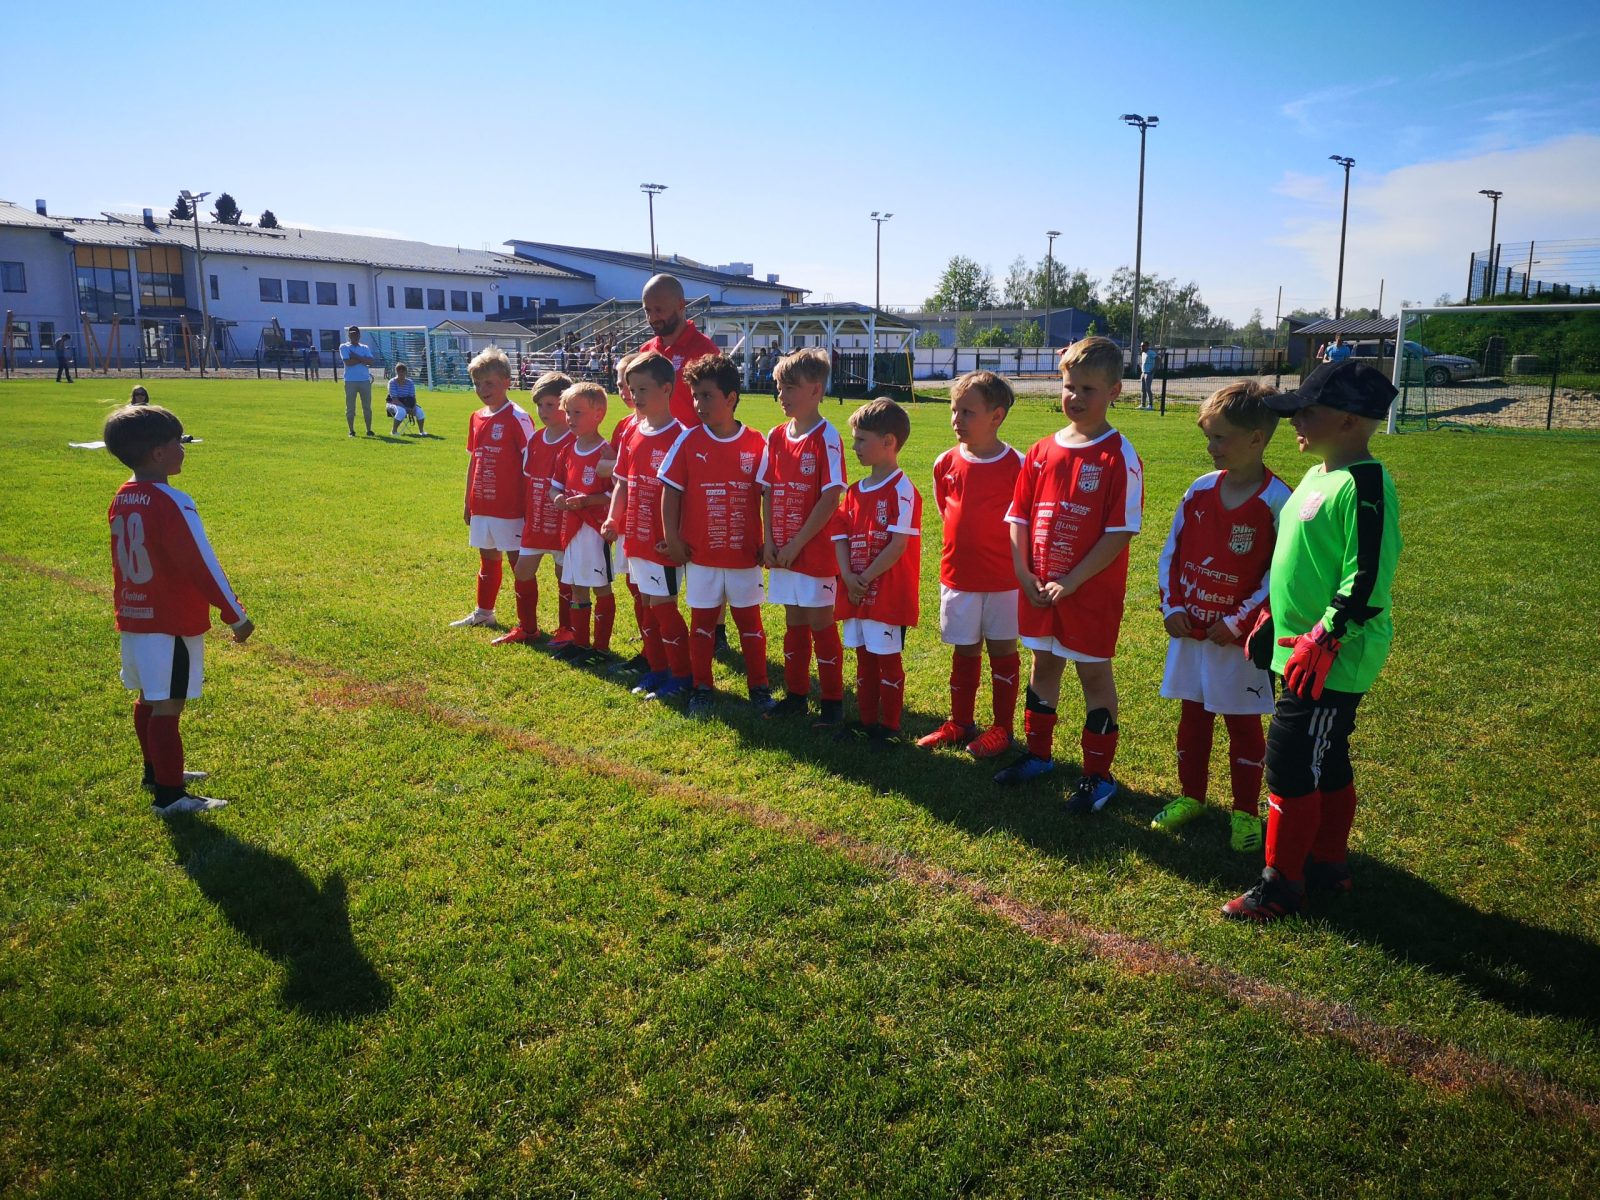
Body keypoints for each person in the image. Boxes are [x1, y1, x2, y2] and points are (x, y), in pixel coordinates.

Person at [1223, 360, 1403, 922]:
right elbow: (1298, 562)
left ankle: (1283, 885)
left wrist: (1324, 637)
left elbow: (1367, 575)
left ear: (1349, 420)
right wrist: (1274, 616)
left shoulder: (1364, 483)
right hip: (1299, 647)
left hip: (1330, 656)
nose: (1296, 420)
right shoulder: (1321, 470)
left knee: (1292, 760)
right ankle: (1328, 865)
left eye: (1309, 411)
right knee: (1326, 758)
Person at [996, 336, 1143, 814]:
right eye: (1068, 386)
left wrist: (1073, 581)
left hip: (1086, 594)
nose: (1075, 397)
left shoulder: (1119, 454)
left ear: (1115, 390)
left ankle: (1098, 777)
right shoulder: (1040, 450)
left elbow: (1119, 532)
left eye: (1088, 389)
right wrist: (1022, 571)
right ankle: (1038, 756)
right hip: (1039, 587)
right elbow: (1018, 516)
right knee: (1043, 667)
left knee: (1094, 676)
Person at [1151, 382, 1292, 853]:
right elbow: (1171, 552)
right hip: (1191, 632)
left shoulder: (1278, 501)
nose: (1210, 447)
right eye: (1208, 437)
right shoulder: (1199, 491)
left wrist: (1237, 622)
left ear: (1256, 439)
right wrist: (1172, 606)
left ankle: (1244, 812)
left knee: (1242, 724)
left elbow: (1280, 575)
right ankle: (1191, 797)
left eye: (1220, 438)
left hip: (1240, 641)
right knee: (1192, 713)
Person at [103, 403, 253, 815]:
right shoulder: (172, 500)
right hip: (169, 621)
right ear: (157, 453)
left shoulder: (123, 497)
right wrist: (235, 614)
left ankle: (156, 771)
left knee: (149, 698)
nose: (184, 450)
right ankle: (171, 797)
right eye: (177, 443)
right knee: (168, 704)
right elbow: (201, 563)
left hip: (135, 616)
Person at [658, 353, 774, 718]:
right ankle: (702, 688)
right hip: (701, 554)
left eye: (706, 395)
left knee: (749, 623)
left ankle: (759, 687)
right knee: (703, 624)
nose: (698, 404)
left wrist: (768, 541)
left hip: (743, 554)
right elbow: (671, 490)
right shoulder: (689, 440)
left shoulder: (756, 443)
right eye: (694, 396)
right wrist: (672, 538)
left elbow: (769, 495)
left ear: (731, 398)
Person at [917, 371, 1023, 759]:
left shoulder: (1019, 466)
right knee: (964, 650)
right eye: (953, 410)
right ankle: (960, 722)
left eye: (967, 412)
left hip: (1004, 580)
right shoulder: (944, 462)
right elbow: (946, 510)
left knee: (1001, 649)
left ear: (996, 416)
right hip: (959, 575)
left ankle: (1002, 728)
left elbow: (1024, 524)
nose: (956, 420)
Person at [757, 348, 848, 727]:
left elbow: (831, 495)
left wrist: (797, 544)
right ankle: (796, 694)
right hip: (782, 550)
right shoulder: (776, 436)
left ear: (815, 390)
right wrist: (769, 540)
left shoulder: (827, 437)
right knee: (793, 621)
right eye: (779, 387)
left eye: (789, 387)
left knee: (819, 622)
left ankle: (832, 703)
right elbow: (766, 490)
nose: (782, 395)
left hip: (813, 553)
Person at [831, 398, 922, 748]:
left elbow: (898, 545)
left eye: (861, 440)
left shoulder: (903, 489)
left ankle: (891, 726)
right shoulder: (854, 492)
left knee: (886, 659)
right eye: (854, 440)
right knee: (863, 658)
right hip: (855, 589)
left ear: (888, 442)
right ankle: (867, 720)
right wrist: (847, 577)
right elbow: (839, 536)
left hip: (885, 593)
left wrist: (863, 579)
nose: (854, 447)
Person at [601, 351, 691, 699]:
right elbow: (622, 482)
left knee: (664, 609)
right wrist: (613, 517)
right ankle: (658, 668)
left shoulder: (680, 436)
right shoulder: (632, 433)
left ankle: (682, 675)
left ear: (666, 389)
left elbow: (688, 495)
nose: (634, 396)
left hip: (662, 542)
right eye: (630, 388)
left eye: (642, 389)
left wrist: (676, 536)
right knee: (648, 609)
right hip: (635, 538)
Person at [450, 347, 536, 629]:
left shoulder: (518, 417)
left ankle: (527, 625)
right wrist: (467, 502)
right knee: (487, 557)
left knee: (518, 564)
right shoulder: (476, 417)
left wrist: (531, 505)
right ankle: (484, 612)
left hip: (510, 506)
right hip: (482, 504)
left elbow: (533, 463)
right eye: (477, 384)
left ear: (506, 382)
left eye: (489, 383)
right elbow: (474, 461)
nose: (482, 389)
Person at [493, 371, 574, 646]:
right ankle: (527, 628)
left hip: (563, 525)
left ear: (567, 405)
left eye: (551, 405)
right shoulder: (536, 440)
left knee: (565, 577)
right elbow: (528, 482)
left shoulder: (575, 442)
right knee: (523, 571)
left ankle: (567, 629)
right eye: (540, 405)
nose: (543, 411)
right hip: (535, 522)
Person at [549, 382, 618, 665]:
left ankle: (600, 649)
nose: (570, 419)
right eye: (568, 412)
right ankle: (579, 642)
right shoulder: (566, 451)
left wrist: (588, 501)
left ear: (598, 414)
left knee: (600, 587)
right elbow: (554, 488)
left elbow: (617, 492)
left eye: (577, 413)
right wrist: (559, 500)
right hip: (571, 531)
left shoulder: (607, 453)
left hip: (594, 531)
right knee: (577, 586)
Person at [605, 353, 653, 677]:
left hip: (647, 519)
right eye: (620, 384)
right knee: (632, 584)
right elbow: (615, 469)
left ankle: (654, 648)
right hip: (625, 517)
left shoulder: (658, 423)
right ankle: (649, 640)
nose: (624, 391)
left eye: (628, 384)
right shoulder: (624, 425)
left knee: (649, 587)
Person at [639, 273, 719, 429]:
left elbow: (718, 412)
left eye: (659, 310)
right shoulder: (646, 350)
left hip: (692, 449)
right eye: (647, 310)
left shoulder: (705, 351)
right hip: (655, 448)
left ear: (681, 305)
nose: (652, 317)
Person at [340, 326, 377, 437]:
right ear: (349, 335)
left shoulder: (365, 347)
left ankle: (369, 430)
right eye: (351, 334)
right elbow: (348, 362)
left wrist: (356, 356)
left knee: (367, 407)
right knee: (350, 407)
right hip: (350, 381)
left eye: (355, 334)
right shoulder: (344, 347)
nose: (353, 336)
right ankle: (351, 430)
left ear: (359, 335)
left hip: (364, 381)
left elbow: (370, 362)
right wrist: (363, 360)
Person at [384, 363, 427, 436]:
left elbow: (413, 397)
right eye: (399, 371)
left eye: (403, 371)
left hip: (408, 403)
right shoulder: (392, 382)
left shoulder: (410, 382)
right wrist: (407, 409)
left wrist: (413, 408)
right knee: (402, 411)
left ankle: (421, 432)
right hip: (393, 403)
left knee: (420, 412)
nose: (401, 373)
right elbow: (394, 399)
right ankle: (394, 431)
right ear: (396, 372)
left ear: (406, 372)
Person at [1139, 341, 1158, 410]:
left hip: (1149, 373)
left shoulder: (1151, 353)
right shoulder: (1143, 353)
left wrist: (1154, 369)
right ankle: (1143, 404)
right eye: (1141, 346)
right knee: (1143, 390)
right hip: (1143, 373)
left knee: (1148, 389)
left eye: (1143, 346)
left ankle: (1150, 405)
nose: (1141, 347)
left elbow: (1158, 359)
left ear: (1147, 346)